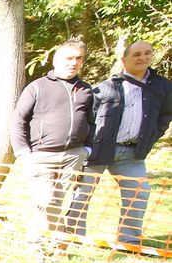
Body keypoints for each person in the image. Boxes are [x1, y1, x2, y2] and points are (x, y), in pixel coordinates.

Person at [67, 40, 172, 247]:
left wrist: (152, 136)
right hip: (99, 150)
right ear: (124, 60)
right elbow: (87, 117)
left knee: (139, 193)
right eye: (137, 55)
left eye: (147, 53)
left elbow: (165, 115)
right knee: (82, 193)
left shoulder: (163, 86)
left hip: (132, 154)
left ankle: (129, 241)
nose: (143, 58)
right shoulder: (106, 87)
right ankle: (72, 237)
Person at [10, 38, 93, 247]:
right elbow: (18, 120)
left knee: (55, 200)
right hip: (40, 156)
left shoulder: (86, 90)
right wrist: (23, 152)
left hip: (73, 155)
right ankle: (49, 243)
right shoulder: (37, 87)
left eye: (78, 58)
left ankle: (45, 243)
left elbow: (92, 120)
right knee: (46, 201)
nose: (73, 63)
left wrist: (87, 149)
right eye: (68, 58)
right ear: (55, 60)